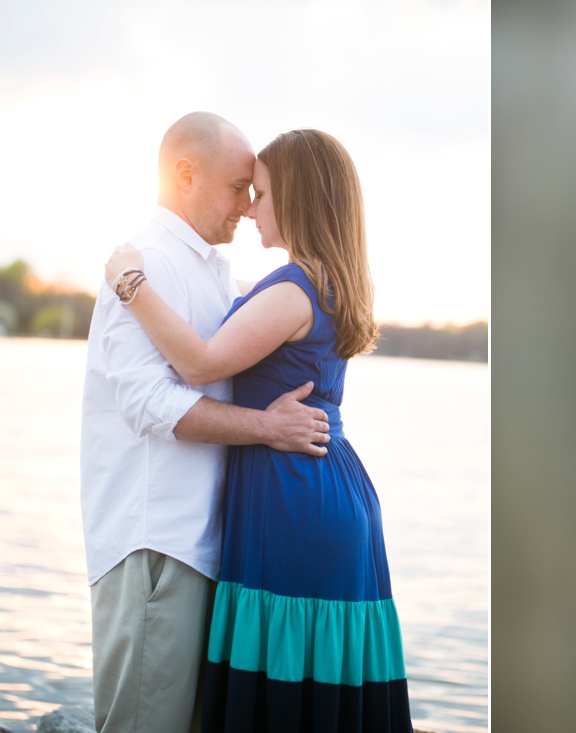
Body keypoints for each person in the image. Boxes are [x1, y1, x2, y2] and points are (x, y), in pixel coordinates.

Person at [104, 129, 414, 731]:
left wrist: (131, 286)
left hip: (295, 493)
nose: (249, 207)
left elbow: (198, 363)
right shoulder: (324, 280)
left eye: (262, 194)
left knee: (283, 693)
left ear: (296, 199)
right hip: (320, 482)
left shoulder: (296, 288)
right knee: (314, 688)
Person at [82, 112, 332, 733]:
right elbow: (150, 405)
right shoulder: (151, 263)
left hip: (205, 546)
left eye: (255, 191)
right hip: (156, 544)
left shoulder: (211, 269)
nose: (248, 207)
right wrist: (268, 428)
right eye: (237, 187)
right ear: (185, 175)